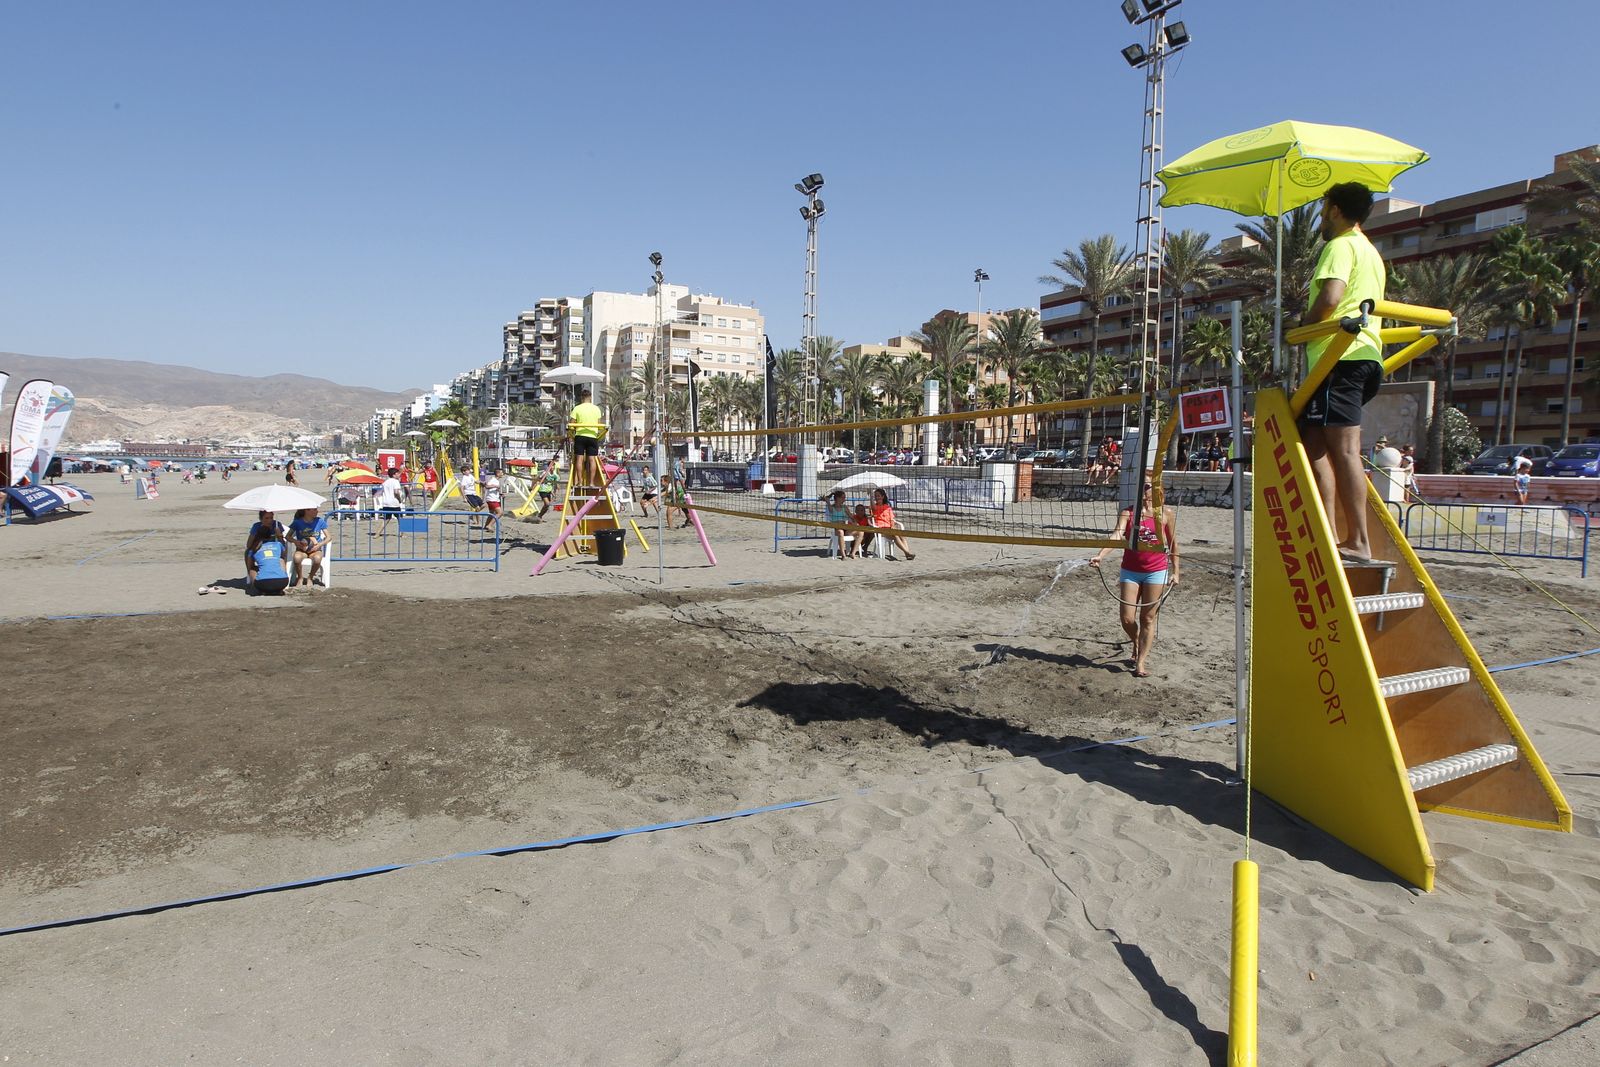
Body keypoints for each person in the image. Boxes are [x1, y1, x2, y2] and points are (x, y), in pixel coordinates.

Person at [1298, 181, 1386, 565]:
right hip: (1364, 356)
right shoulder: (1371, 253)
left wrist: (1302, 325)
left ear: (1335, 210)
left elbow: (1331, 297)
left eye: (1322, 208)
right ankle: (1333, 533)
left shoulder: (1340, 246)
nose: (1320, 216)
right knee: (1312, 439)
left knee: (1345, 450)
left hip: (1340, 356)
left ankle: (1357, 540)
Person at [1090, 479, 1180, 678]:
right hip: (1131, 570)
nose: (1143, 489)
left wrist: (1176, 571)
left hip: (1156, 571)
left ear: (1157, 490)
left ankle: (1140, 662)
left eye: (1147, 485)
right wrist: (1101, 555)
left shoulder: (1166, 514)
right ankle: (1136, 639)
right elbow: (1117, 535)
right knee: (1127, 618)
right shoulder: (1128, 512)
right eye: (1141, 485)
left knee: (1148, 617)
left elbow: (1173, 544)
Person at [568, 388, 607, 492]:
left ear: (581, 398)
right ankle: (591, 483)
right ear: (590, 397)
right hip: (592, 436)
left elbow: (571, 424)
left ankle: (580, 482)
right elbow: (599, 424)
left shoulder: (577, 408)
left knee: (579, 459)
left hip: (580, 435)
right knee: (592, 459)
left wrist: (571, 434)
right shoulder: (596, 409)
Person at [288, 506, 329, 589]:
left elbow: (329, 537)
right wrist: (296, 542)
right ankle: (300, 578)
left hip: (315, 549)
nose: (317, 511)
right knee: (297, 558)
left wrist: (319, 545)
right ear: (307, 511)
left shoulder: (319, 521)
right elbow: (288, 536)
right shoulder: (297, 522)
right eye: (314, 510)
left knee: (317, 559)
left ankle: (310, 577)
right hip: (302, 549)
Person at [869, 488, 916, 561]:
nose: (877, 497)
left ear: (883, 497)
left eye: (878, 496)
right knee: (896, 536)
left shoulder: (887, 507)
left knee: (902, 535)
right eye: (876, 496)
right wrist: (871, 497)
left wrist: (893, 526)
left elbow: (892, 519)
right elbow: (873, 507)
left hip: (889, 528)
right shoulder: (874, 507)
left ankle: (907, 553)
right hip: (880, 529)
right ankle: (907, 553)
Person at [825, 489, 856, 560]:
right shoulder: (832, 508)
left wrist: (855, 523)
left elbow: (851, 517)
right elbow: (827, 499)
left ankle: (853, 552)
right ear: (838, 498)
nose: (844, 499)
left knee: (861, 532)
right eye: (843, 497)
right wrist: (831, 495)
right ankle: (843, 555)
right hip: (836, 529)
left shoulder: (844, 507)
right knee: (840, 532)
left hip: (844, 527)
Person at [375, 467, 404, 535]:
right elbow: (396, 492)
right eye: (397, 474)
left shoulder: (385, 482)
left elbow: (381, 492)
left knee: (386, 519)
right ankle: (402, 534)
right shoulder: (395, 481)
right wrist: (399, 499)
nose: (399, 475)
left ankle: (377, 533)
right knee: (400, 519)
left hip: (386, 503)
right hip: (394, 502)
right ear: (394, 475)